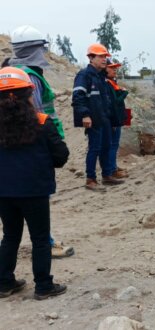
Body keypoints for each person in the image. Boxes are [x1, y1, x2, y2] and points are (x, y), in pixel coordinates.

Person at [0, 67, 69, 300]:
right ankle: (43, 286)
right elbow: (61, 155)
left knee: (10, 236)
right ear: (27, 94)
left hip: (3, 192)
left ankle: (4, 283)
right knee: (40, 238)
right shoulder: (42, 121)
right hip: (34, 191)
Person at [7, 25, 74, 258]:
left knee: (13, 208)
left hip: (12, 151)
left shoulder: (10, 73)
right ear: (34, 49)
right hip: (32, 148)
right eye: (41, 49)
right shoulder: (28, 77)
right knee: (36, 203)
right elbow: (32, 117)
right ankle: (46, 245)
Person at [72, 43, 124, 191]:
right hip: (93, 119)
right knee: (94, 148)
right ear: (91, 58)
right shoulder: (84, 75)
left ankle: (107, 175)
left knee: (106, 147)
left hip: (104, 118)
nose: (104, 59)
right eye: (100, 56)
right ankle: (90, 179)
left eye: (105, 56)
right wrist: (85, 115)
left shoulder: (101, 77)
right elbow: (78, 97)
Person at [104, 59, 129, 179]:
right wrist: (123, 94)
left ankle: (113, 167)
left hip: (115, 118)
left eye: (115, 67)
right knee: (113, 145)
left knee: (114, 144)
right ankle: (112, 170)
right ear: (105, 69)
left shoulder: (112, 82)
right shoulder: (107, 83)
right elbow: (114, 103)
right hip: (112, 119)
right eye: (111, 67)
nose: (115, 69)